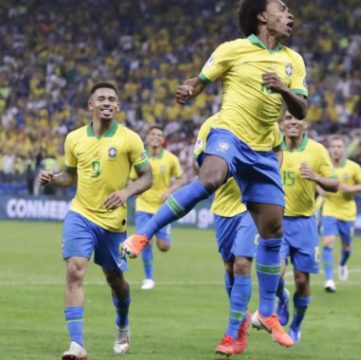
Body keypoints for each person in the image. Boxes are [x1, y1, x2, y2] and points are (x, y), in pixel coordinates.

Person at [121, 0, 306, 348]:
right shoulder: (231, 50)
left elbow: (302, 107)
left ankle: (266, 312)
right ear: (262, 16)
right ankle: (143, 233)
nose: (290, 14)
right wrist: (189, 89)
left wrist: (283, 88)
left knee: (273, 230)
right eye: (282, 8)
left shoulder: (293, 61)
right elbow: (200, 80)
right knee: (210, 178)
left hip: (264, 150)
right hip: (229, 134)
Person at [38, 82, 152, 359]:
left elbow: (148, 177)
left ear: (118, 106)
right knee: (75, 271)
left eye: (112, 99)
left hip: (113, 223)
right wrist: (54, 179)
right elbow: (70, 176)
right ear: (91, 105)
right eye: (100, 98)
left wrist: (126, 192)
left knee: (116, 280)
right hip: (81, 214)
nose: (106, 102)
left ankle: (122, 322)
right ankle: (77, 344)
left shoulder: (130, 139)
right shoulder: (74, 138)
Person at [193, 115, 278, 356]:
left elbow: (278, 150)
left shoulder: (266, 120)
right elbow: (197, 164)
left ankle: (232, 334)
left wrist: (266, 180)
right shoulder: (211, 124)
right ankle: (244, 320)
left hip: (251, 204)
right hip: (223, 207)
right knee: (230, 267)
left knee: (242, 264)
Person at [275, 111, 338, 343]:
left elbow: (335, 184)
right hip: (276, 222)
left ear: (305, 124)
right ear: (281, 124)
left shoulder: (317, 150)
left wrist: (316, 177)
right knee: (275, 273)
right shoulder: (272, 147)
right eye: (288, 118)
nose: (292, 122)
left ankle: (296, 325)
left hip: (304, 223)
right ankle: (281, 297)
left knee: (302, 281)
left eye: (297, 118)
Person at [131, 125, 185, 290]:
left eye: (159, 135)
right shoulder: (139, 158)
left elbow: (181, 179)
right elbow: (131, 179)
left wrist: (170, 190)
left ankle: (157, 235)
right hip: (143, 205)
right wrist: (135, 189)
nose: (156, 137)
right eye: (153, 134)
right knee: (144, 242)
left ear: (163, 140)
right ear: (147, 137)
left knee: (163, 246)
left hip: (162, 207)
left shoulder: (170, 159)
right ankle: (149, 278)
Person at [319, 136, 361, 292]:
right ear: (329, 149)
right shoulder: (325, 167)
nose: (335, 149)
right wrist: (321, 191)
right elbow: (313, 181)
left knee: (346, 247)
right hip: (330, 210)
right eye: (333, 146)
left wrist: (351, 189)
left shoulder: (353, 167)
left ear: (344, 149)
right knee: (327, 242)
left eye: (339, 146)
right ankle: (329, 280)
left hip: (348, 212)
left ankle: (342, 263)